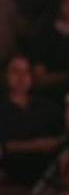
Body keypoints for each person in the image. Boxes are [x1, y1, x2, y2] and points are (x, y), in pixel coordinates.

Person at [0, 54, 65, 185]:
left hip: (49, 177)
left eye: (26, 72)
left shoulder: (48, 106)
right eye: (15, 72)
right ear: (5, 75)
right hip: (11, 178)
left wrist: (16, 146)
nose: (21, 77)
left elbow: (62, 138)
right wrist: (38, 145)